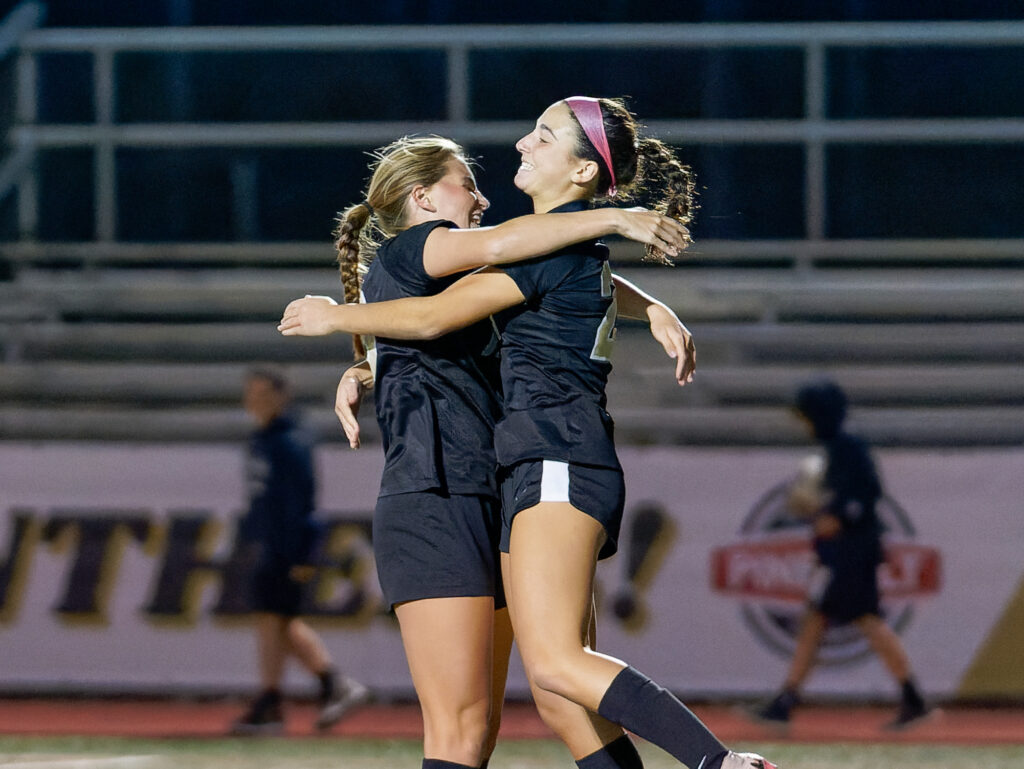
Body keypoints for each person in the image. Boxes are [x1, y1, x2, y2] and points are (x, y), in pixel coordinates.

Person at [280, 97, 775, 769]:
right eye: (466, 181)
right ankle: (717, 762)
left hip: (525, 472)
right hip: (458, 489)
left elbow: (486, 284)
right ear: (422, 197)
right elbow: (501, 277)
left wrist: (344, 326)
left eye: (541, 136)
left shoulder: (527, 247)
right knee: (545, 700)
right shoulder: (442, 247)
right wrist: (369, 364)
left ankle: (718, 763)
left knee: (543, 684)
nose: (489, 185)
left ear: (579, 171)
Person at [752, 378, 931, 731]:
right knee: (819, 621)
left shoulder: (847, 449)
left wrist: (838, 516)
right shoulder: (831, 451)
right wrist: (818, 509)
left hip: (852, 553)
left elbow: (866, 495)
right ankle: (786, 700)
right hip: (842, 553)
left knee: (863, 620)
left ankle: (913, 697)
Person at [231, 367, 370, 735]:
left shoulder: (289, 440)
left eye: (260, 394)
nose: (253, 402)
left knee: (273, 617)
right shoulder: (263, 438)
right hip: (269, 542)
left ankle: (291, 694)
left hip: (285, 545)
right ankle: (317, 687)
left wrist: (302, 553)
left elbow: (300, 502)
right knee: (274, 619)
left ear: (280, 395)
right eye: (251, 394)